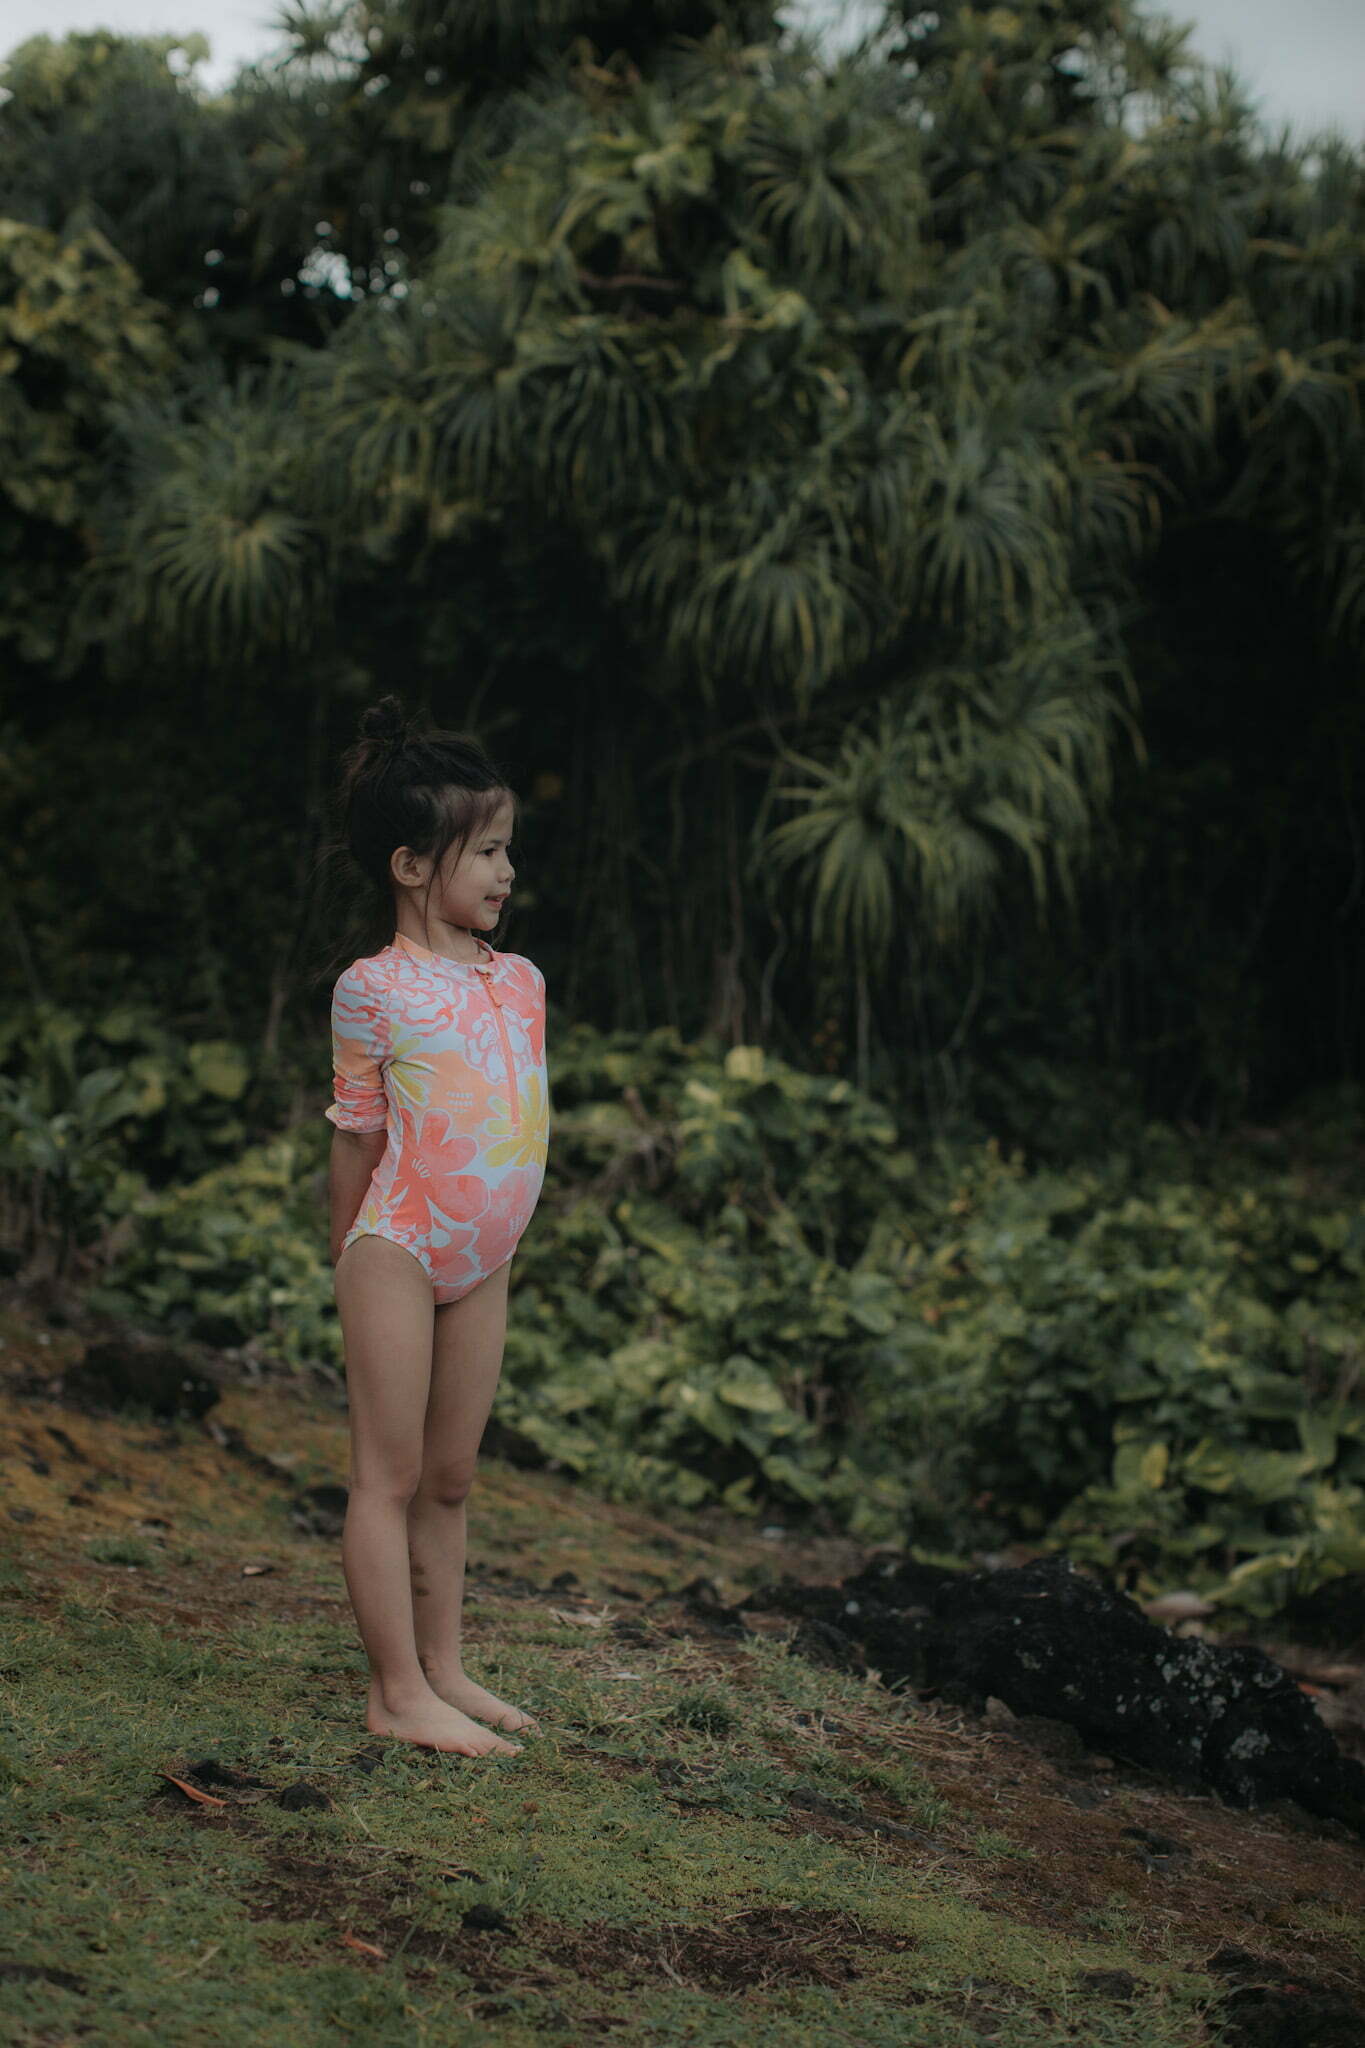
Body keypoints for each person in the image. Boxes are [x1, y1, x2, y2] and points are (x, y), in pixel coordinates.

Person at [323, 692, 549, 1758]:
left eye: (507, 850)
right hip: (399, 1250)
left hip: (484, 1259)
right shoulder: (372, 989)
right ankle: (397, 1690)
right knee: (391, 1474)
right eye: (487, 852)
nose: (506, 872)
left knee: (451, 1478)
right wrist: (347, 1258)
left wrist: (493, 1237)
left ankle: (446, 1666)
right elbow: (357, 1136)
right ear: (412, 865)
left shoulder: (523, 982)